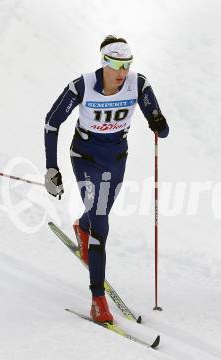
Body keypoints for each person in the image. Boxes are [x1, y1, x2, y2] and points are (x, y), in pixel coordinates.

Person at [44, 35, 169, 324]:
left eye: (127, 66)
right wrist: (51, 169)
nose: (122, 74)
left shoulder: (139, 84)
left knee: (99, 214)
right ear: (104, 64)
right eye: (117, 67)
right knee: (102, 219)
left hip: (116, 158)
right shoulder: (82, 85)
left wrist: (159, 124)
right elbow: (52, 121)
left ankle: (82, 227)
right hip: (85, 157)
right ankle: (97, 299)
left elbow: (162, 130)